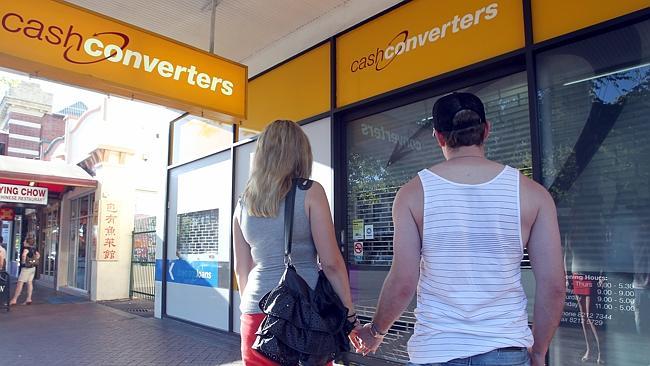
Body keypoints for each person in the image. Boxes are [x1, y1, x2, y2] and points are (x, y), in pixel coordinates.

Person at [355, 92, 566, 366]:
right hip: (506, 351)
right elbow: (554, 287)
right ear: (486, 131)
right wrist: (538, 351)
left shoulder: (412, 194)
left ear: (439, 137)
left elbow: (404, 281)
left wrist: (375, 332)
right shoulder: (533, 194)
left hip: (436, 351)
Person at [233, 120, 359, 365]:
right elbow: (331, 263)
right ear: (301, 153)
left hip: (255, 315)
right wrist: (349, 316)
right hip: (304, 318)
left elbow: (242, 268)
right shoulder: (311, 192)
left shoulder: (243, 203)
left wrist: (250, 307)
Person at [9, 237, 40, 306]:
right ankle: (29, 299)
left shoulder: (26, 249)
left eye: (25, 241)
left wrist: (23, 262)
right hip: (33, 268)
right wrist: (34, 260)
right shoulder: (34, 249)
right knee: (29, 282)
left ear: (27, 243)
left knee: (20, 283)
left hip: (26, 268)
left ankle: (14, 299)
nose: (23, 242)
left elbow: (23, 255)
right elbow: (38, 255)